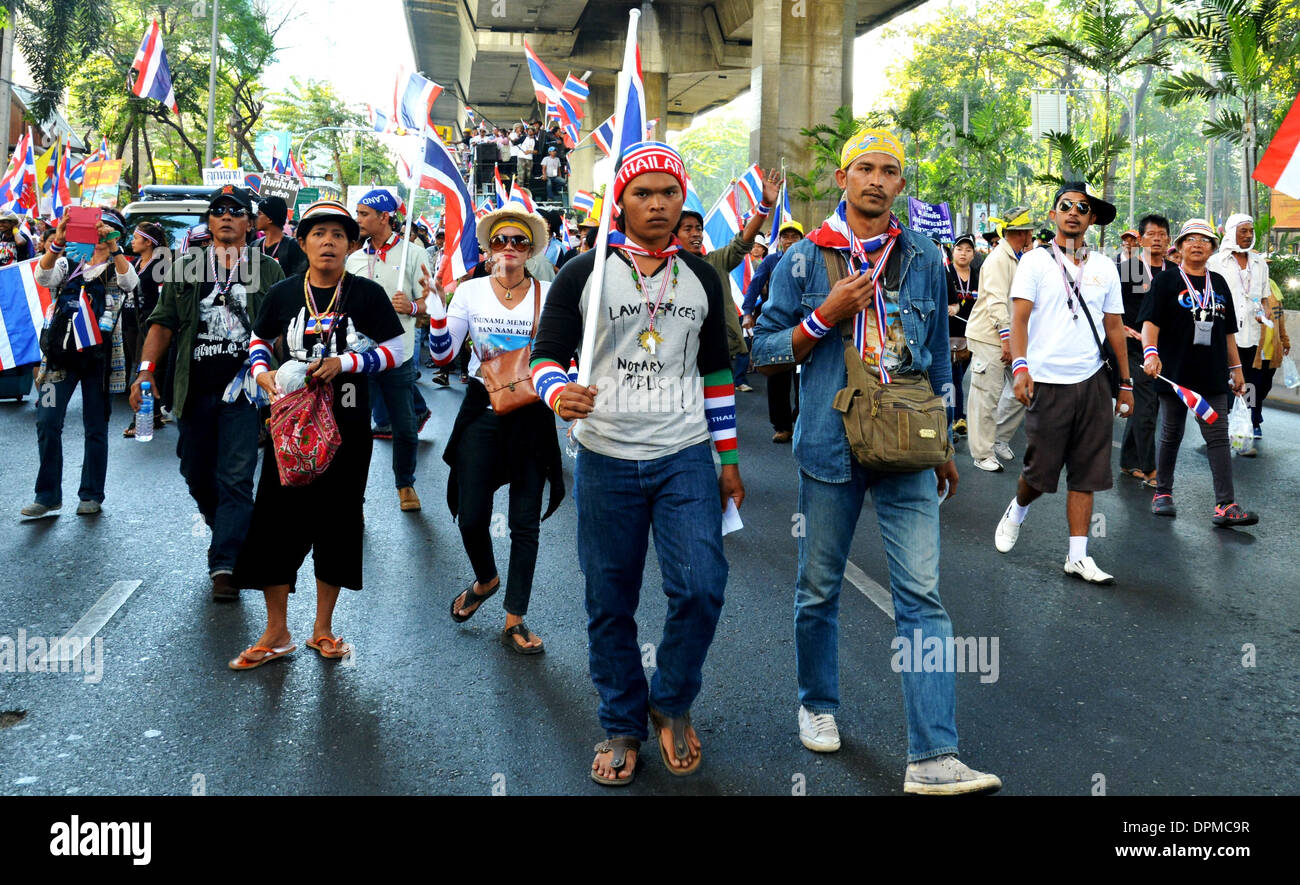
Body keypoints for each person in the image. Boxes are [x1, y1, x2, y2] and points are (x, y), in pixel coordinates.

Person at [749, 128, 998, 794]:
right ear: (842, 178)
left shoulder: (921, 256)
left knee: (921, 596)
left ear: (902, 186)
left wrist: (944, 440)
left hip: (909, 447)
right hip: (831, 445)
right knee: (818, 587)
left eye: (890, 171)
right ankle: (818, 702)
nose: (878, 180)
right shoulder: (803, 260)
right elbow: (765, 354)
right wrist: (822, 316)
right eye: (866, 168)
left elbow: (940, 355)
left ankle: (933, 756)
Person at [529, 141, 743, 785]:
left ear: (684, 201)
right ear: (619, 201)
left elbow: (717, 370)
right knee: (609, 599)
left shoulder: (703, 276)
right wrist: (556, 391)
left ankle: (670, 701)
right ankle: (622, 722)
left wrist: (728, 458)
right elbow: (545, 354)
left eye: (668, 193)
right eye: (642, 193)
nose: (656, 204)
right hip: (605, 457)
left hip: (684, 455)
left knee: (702, 587)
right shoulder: (583, 271)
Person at [229, 200, 406, 669]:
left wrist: (345, 363)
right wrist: (263, 372)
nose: (328, 241)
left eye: (338, 235)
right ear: (303, 242)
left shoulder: (366, 295)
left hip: (347, 430)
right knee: (275, 522)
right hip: (289, 429)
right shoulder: (284, 293)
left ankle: (322, 629)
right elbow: (258, 341)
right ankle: (276, 630)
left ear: (351, 245)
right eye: (318, 233)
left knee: (338, 523)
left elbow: (399, 350)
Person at [132, 186, 285, 600]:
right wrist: (145, 372)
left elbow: (283, 328)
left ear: (249, 222)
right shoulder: (184, 267)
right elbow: (162, 323)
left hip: (243, 393)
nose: (226, 216)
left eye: (236, 211)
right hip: (193, 392)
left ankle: (225, 565)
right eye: (218, 210)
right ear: (210, 221)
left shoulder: (267, 269)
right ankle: (228, 529)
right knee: (195, 473)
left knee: (236, 478)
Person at [430, 207, 564, 653]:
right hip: (482, 411)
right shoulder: (468, 293)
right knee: (472, 516)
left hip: (531, 413)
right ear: (488, 249)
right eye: (501, 240)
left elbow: (565, 353)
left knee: (525, 523)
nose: (509, 247)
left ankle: (514, 619)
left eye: (519, 242)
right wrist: (434, 310)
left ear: (530, 250)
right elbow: (445, 355)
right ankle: (486, 578)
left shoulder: (550, 291)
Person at [994, 183, 1133, 585]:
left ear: (1091, 219)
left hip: (1092, 381)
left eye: (1082, 208)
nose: (1073, 212)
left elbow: (1115, 327)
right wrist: (1021, 367)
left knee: (1088, 472)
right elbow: (1019, 319)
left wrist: (1125, 383)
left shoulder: (1105, 267)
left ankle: (1077, 556)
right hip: (1047, 382)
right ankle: (1018, 508)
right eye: (1065, 206)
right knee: (1040, 473)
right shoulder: (1035, 262)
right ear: (1054, 215)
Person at [1140, 219, 1258, 527]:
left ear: (1212, 249)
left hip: (1212, 374)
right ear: (1178, 248)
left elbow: (1228, 332)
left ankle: (1225, 505)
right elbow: (1150, 322)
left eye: (1204, 240)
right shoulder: (1166, 281)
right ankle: (1163, 493)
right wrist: (1150, 353)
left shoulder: (1218, 283)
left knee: (1217, 437)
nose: (1197, 244)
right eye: (1190, 239)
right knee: (1171, 434)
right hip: (1175, 374)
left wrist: (1237, 370)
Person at [22, 210, 137, 519]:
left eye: (107, 230)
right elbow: (43, 277)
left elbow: (131, 283)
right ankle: (46, 495)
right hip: (58, 359)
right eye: (96, 230)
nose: (99, 235)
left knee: (96, 426)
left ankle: (91, 494)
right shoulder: (68, 260)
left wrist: (113, 247)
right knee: (46, 420)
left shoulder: (118, 265)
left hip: (100, 360)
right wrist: (58, 240)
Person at [345, 189, 432, 511]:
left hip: (399, 356)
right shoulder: (353, 259)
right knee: (353, 429)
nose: (359, 220)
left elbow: (432, 302)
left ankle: (405, 484)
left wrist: (411, 305)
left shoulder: (414, 254)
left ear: (385, 217)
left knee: (405, 428)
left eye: (364, 213)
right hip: (358, 361)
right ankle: (353, 492)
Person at [674, 168, 782, 402]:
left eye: (699, 228)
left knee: (717, 420)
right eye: (688, 229)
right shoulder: (662, 269)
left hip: (714, 354)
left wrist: (764, 206)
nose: (696, 234)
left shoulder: (715, 262)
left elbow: (742, 243)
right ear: (674, 235)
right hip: (676, 358)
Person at [964, 207, 1035, 472]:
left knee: (1025, 388)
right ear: (1021, 232)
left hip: (1010, 336)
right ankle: (981, 453)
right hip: (990, 336)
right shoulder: (998, 259)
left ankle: (998, 439)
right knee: (986, 395)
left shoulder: (1018, 257)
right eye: (1029, 229)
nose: (1032, 234)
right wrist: (1006, 339)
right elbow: (995, 302)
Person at [1208, 214, 1273, 451]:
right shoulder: (1215, 263)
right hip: (1223, 335)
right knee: (1223, 382)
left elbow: (1265, 298)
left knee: (1249, 383)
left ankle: (1245, 426)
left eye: (1250, 231)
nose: (1248, 235)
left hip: (1251, 336)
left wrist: (1264, 314)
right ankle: (1218, 429)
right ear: (1232, 232)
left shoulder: (1260, 263)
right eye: (1243, 230)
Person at [1115, 214, 1170, 486]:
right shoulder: (1129, 270)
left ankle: (1128, 460)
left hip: (1163, 349)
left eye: (1162, 234)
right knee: (1147, 406)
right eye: (1151, 234)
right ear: (1141, 239)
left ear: (1169, 239)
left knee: (1149, 405)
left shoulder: (1173, 271)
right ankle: (1151, 470)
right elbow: (1111, 306)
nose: (1157, 238)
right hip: (1135, 348)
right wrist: (1123, 328)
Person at [742, 220, 806, 442]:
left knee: (803, 378)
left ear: (802, 238)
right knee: (777, 376)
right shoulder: (770, 261)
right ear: (779, 240)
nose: (789, 240)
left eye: (794, 236)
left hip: (804, 327)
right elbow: (755, 287)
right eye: (785, 236)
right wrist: (748, 312)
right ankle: (782, 426)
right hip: (776, 326)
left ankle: (801, 420)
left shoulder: (809, 259)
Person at [121, 222, 169, 437]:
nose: (132, 241)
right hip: (132, 322)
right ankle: (156, 414)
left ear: (148, 242)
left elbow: (165, 299)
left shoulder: (162, 266)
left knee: (144, 369)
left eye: (136, 237)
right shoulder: (135, 262)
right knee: (137, 364)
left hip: (151, 324)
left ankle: (141, 419)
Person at [947, 234, 979, 437]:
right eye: (960, 249)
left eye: (968, 250)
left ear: (973, 254)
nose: (963, 253)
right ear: (953, 252)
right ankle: (957, 417)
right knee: (954, 375)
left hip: (972, 335)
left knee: (958, 375)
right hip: (948, 334)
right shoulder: (945, 273)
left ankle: (951, 415)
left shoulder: (979, 275)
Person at [254, 195, 308, 277]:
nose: (256, 217)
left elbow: (297, 280)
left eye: (259, 213)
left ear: (270, 219)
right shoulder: (254, 245)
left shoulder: (294, 247)